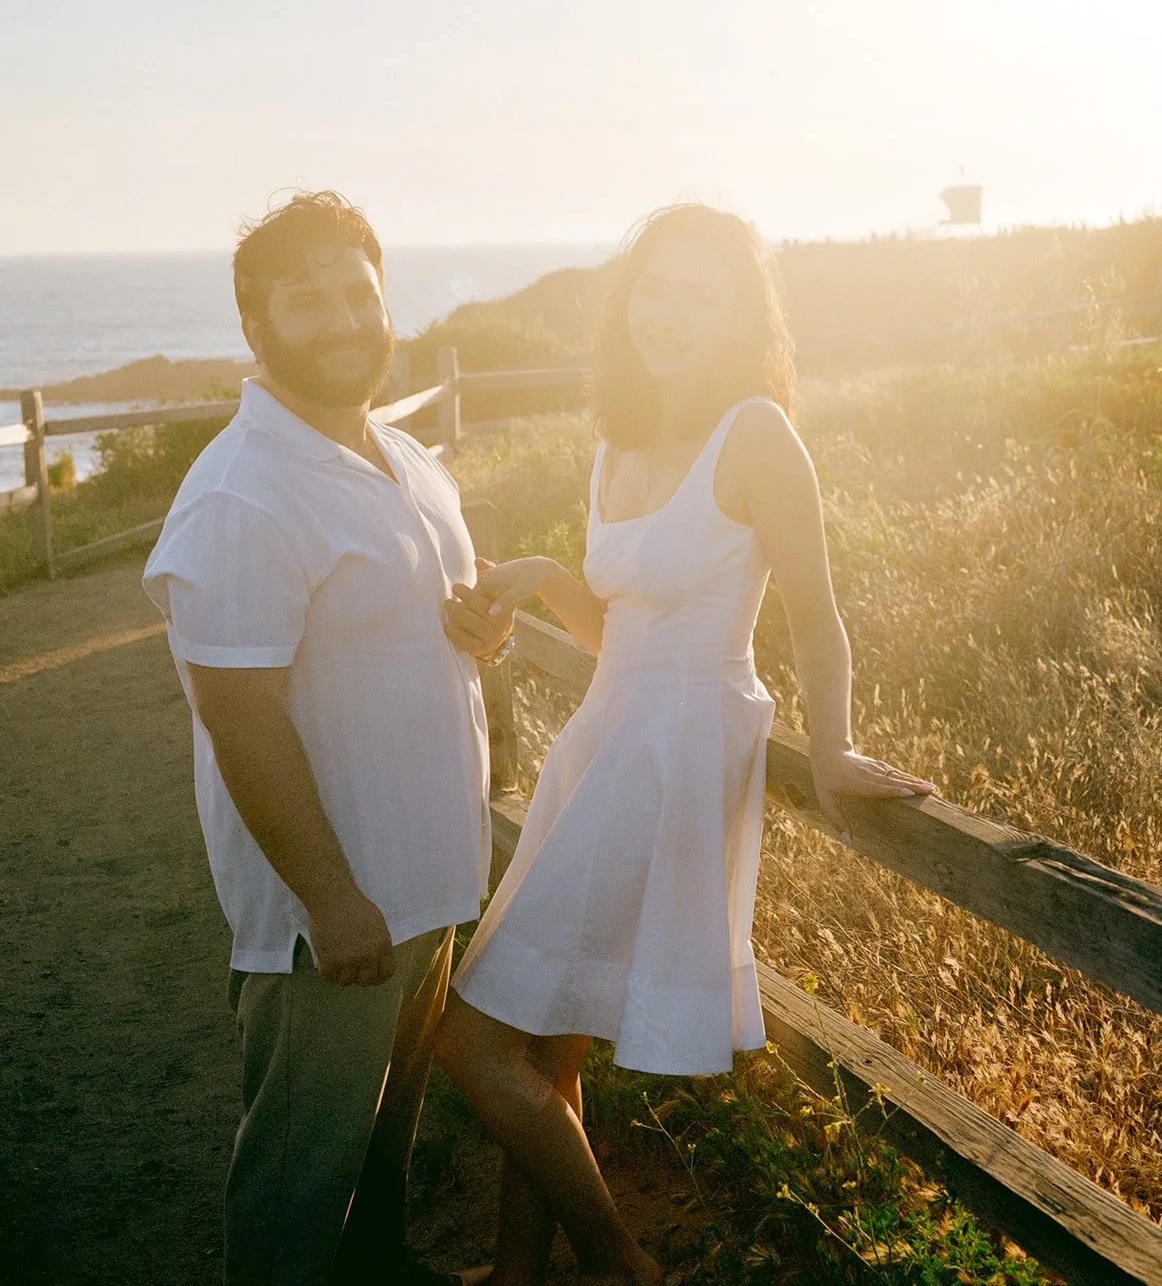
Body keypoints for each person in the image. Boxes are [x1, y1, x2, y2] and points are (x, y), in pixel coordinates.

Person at [436, 203, 937, 1286]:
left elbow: (813, 614)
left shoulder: (756, 432)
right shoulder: (616, 436)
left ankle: (620, 1264)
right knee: (543, 1036)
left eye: (699, 295)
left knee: (471, 1039)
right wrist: (537, 574)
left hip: (673, 754)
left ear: (742, 315)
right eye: (653, 290)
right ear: (626, 306)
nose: (669, 315)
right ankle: (517, 1275)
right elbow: (623, 625)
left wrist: (836, 745)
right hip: (606, 739)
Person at [142, 191, 507, 1286]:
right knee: (301, 1180)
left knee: (380, 1150)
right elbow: (236, 709)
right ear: (255, 328)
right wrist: (332, 898)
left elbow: (413, 625)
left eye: (359, 291)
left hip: (424, 884)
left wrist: (476, 624)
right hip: (334, 916)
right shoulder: (244, 496)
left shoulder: (403, 460)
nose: (344, 317)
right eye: (308, 300)